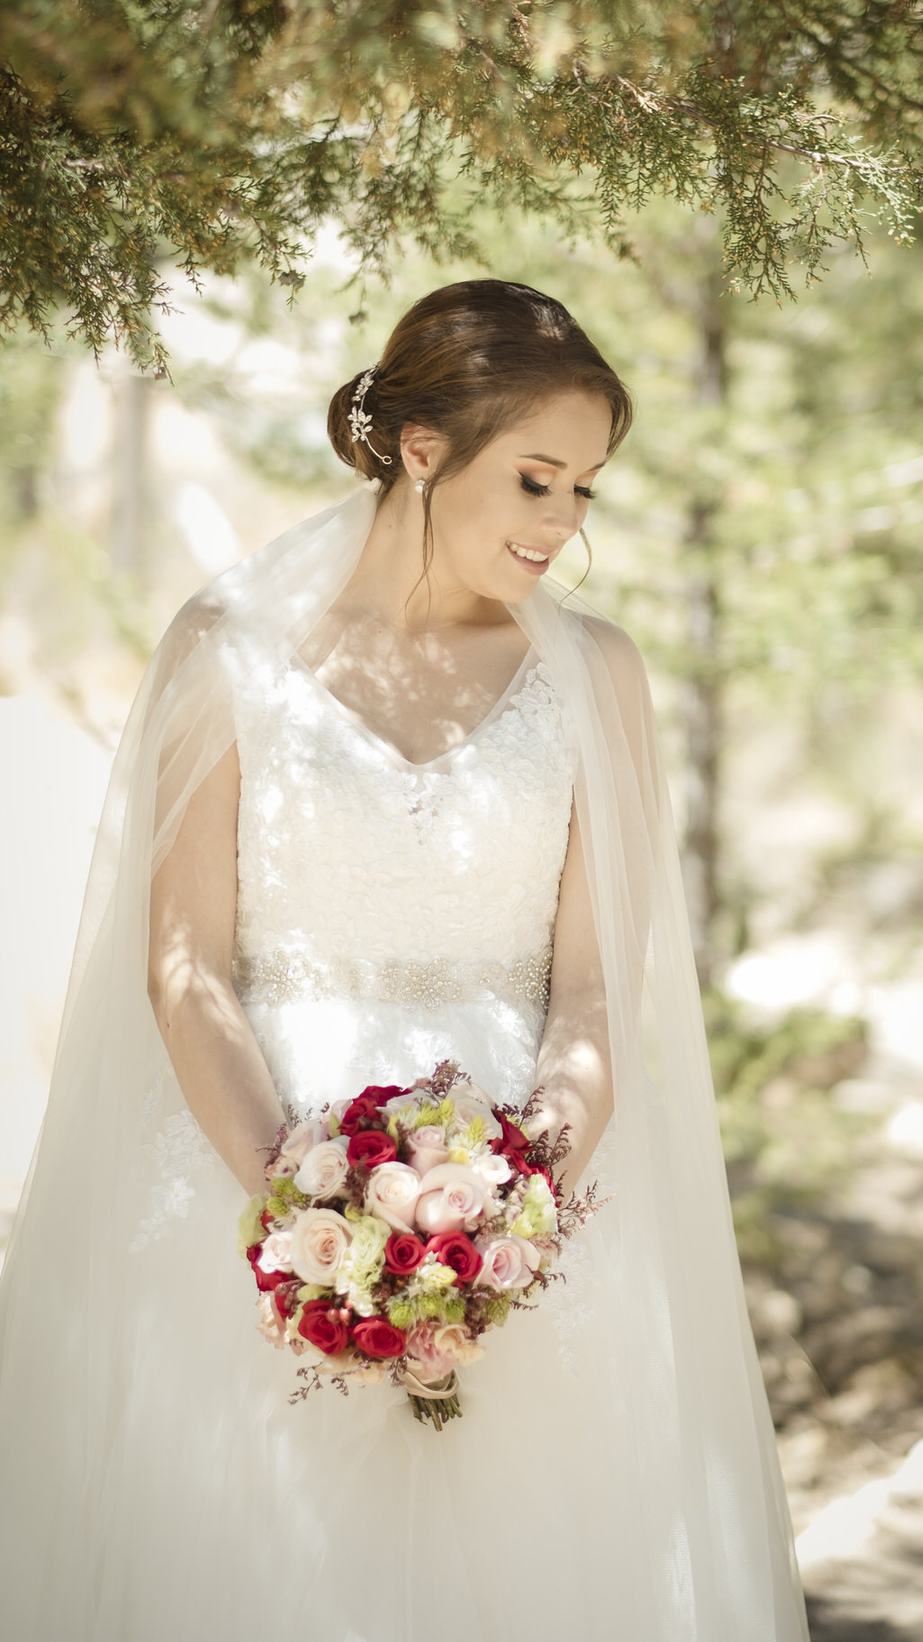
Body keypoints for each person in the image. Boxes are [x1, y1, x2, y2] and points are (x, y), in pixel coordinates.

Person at [0, 279, 809, 1640]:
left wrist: (516, 1195)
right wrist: (319, 1235)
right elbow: (184, 971)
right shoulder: (226, 652)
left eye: (586, 492)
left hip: (529, 1220)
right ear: (421, 451)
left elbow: (600, 989)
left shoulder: (596, 675)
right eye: (537, 480)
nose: (563, 526)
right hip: (255, 1189)